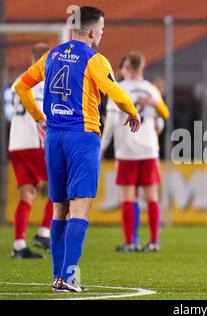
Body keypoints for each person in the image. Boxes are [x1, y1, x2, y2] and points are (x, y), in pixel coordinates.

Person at [14, 6, 140, 293]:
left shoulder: (52, 55)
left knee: (59, 209)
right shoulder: (95, 59)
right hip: (81, 137)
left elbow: (21, 86)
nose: (102, 35)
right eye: (102, 30)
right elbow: (116, 93)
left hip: (54, 138)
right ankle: (69, 276)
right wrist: (132, 112)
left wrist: (38, 117)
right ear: (93, 32)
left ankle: (59, 277)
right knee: (81, 206)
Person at [101, 52, 169, 252]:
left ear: (128, 68)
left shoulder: (119, 89)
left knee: (128, 197)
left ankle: (131, 241)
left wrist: (103, 147)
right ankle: (154, 241)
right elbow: (160, 121)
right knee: (152, 197)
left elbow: (112, 122)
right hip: (149, 148)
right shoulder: (151, 90)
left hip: (127, 150)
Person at [9, 43, 53, 258]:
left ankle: (18, 245)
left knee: (27, 193)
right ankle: (44, 232)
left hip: (15, 145)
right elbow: (45, 115)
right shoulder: (42, 83)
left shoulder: (18, 81)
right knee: (62, 184)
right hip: (34, 144)